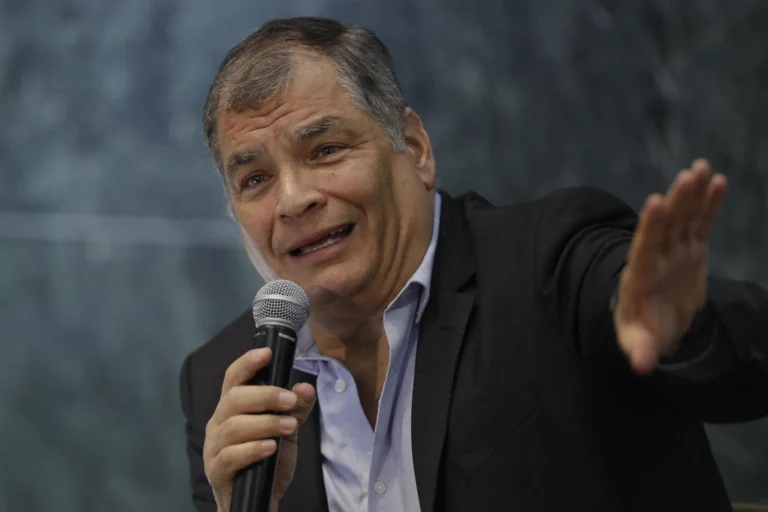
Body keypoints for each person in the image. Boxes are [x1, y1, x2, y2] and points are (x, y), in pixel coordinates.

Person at [179, 16, 768, 512]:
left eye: (326, 150)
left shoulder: (551, 262)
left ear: (414, 149)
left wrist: (684, 334)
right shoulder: (225, 384)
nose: (292, 200)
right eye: (255, 179)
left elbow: (747, 370)